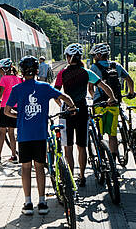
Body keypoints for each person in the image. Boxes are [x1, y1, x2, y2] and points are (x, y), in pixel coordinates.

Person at [5, 55, 76, 216]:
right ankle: (42, 202)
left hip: (24, 136)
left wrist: (21, 116)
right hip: (40, 135)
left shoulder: (17, 89)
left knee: (25, 168)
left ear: (22, 72)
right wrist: (73, 108)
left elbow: (6, 111)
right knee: (39, 168)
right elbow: (64, 97)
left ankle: (28, 202)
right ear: (37, 71)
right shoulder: (44, 87)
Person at [54, 43, 117, 187]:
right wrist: (111, 98)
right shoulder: (86, 72)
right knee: (82, 146)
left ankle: (70, 178)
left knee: (68, 147)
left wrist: (63, 105)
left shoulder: (62, 73)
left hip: (67, 112)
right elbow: (103, 86)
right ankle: (82, 176)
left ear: (69, 57)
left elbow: (56, 93)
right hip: (82, 110)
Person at [88, 43, 135, 163]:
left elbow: (90, 88)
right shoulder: (116, 65)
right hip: (114, 104)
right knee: (112, 134)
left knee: (100, 134)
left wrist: (95, 99)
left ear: (99, 55)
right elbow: (129, 80)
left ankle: (103, 159)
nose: (94, 57)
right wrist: (131, 92)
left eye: (94, 55)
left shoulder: (94, 68)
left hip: (100, 105)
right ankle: (113, 162)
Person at [0, 58, 22, 164]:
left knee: (1, 133)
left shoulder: (4, 79)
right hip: (15, 107)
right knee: (11, 133)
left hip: (5, 107)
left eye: (0, 69)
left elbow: (1, 93)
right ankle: (14, 156)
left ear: (4, 69)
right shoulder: (18, 78)